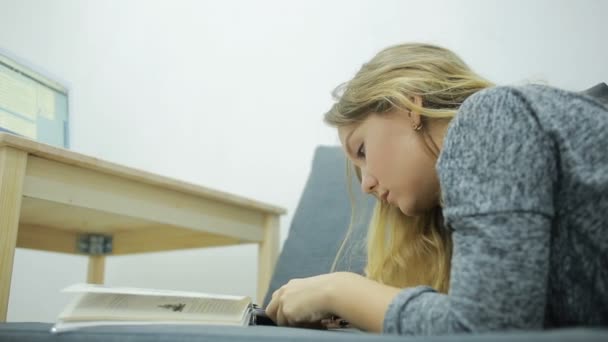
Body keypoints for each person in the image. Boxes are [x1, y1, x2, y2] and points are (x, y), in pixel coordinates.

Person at [264, 43, 608, 335]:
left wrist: (337, 290)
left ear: (408, 105)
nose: (366, 183)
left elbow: (487, 331)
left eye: (363, 151)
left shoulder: (491, 115)